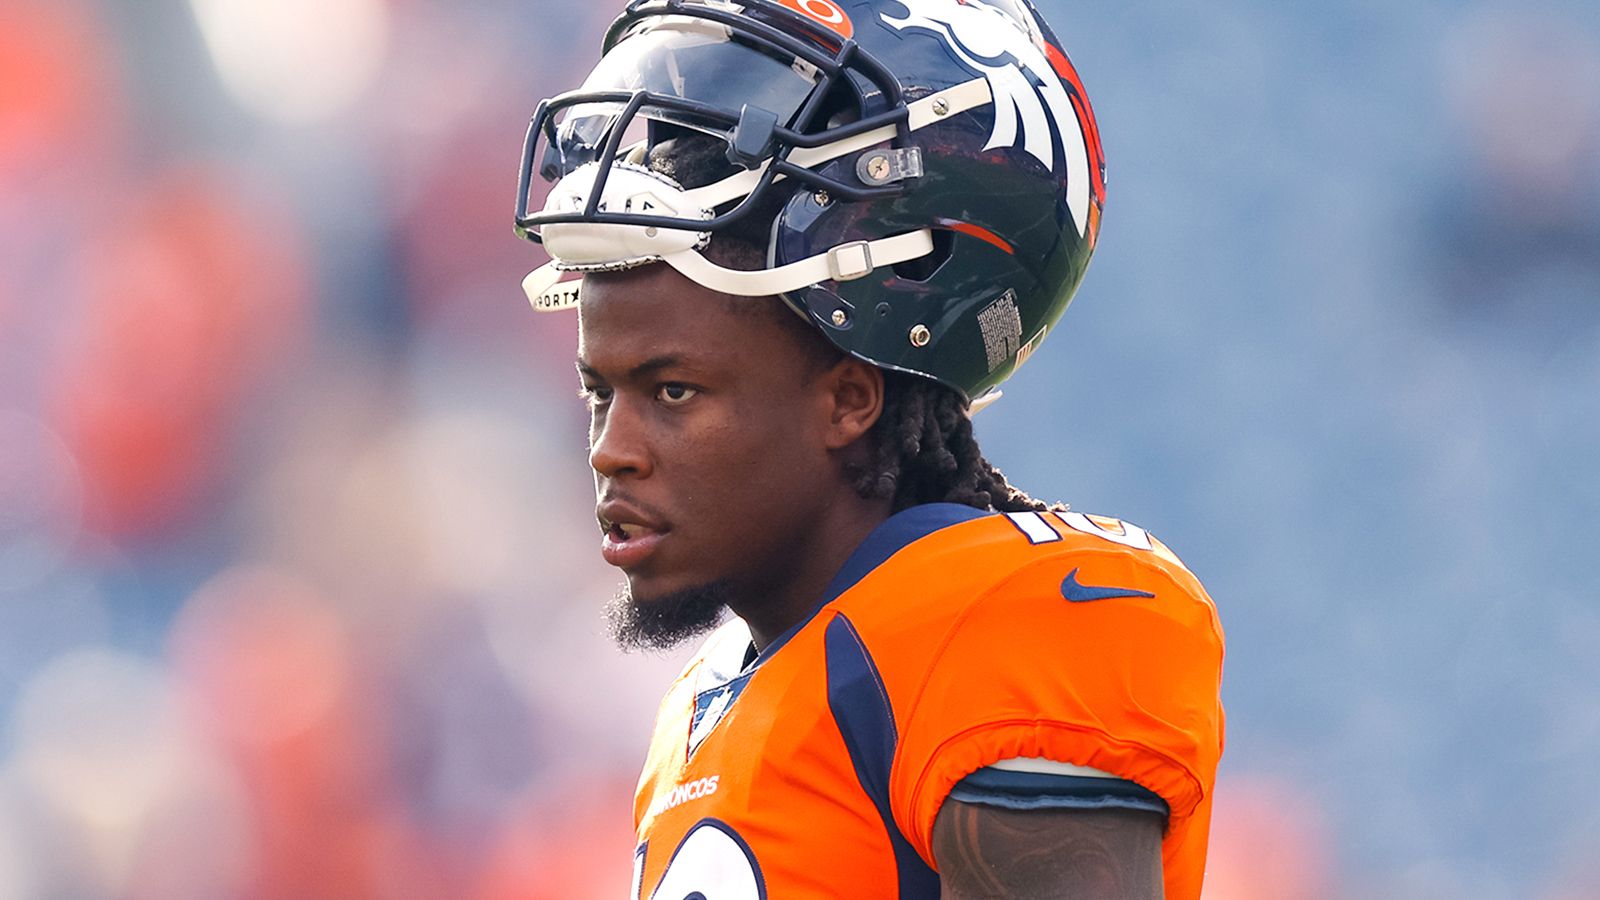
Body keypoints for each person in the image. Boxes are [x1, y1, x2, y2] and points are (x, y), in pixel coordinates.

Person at [512, 0, 1225, 896]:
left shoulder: (996, 622)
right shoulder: (711, 699)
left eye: (674, 391)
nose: (612, 452)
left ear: (848, 400)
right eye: (598, 393)